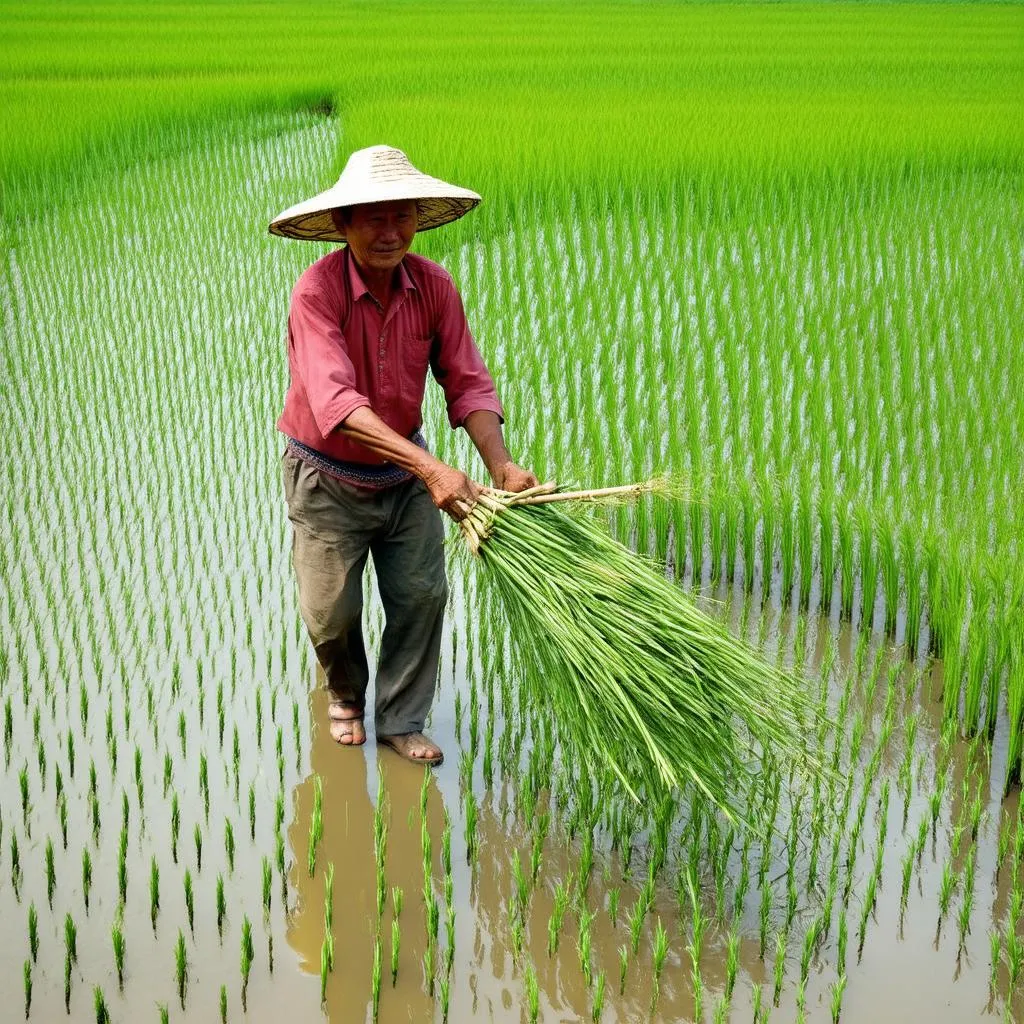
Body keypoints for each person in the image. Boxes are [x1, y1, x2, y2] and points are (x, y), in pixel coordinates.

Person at [269, 145, 537, 766]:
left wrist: (499, 462)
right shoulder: (317, 293)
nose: (391, 232)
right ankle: (344, 691)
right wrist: (434, 469)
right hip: (325, 477)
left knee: (420, 597)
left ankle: (399, 718)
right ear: (342, 224)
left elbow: (466, 379)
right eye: (374, 218)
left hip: (404, 473)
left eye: (403, 216)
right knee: (331, 612)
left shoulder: (435, 286)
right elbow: (335, 402)